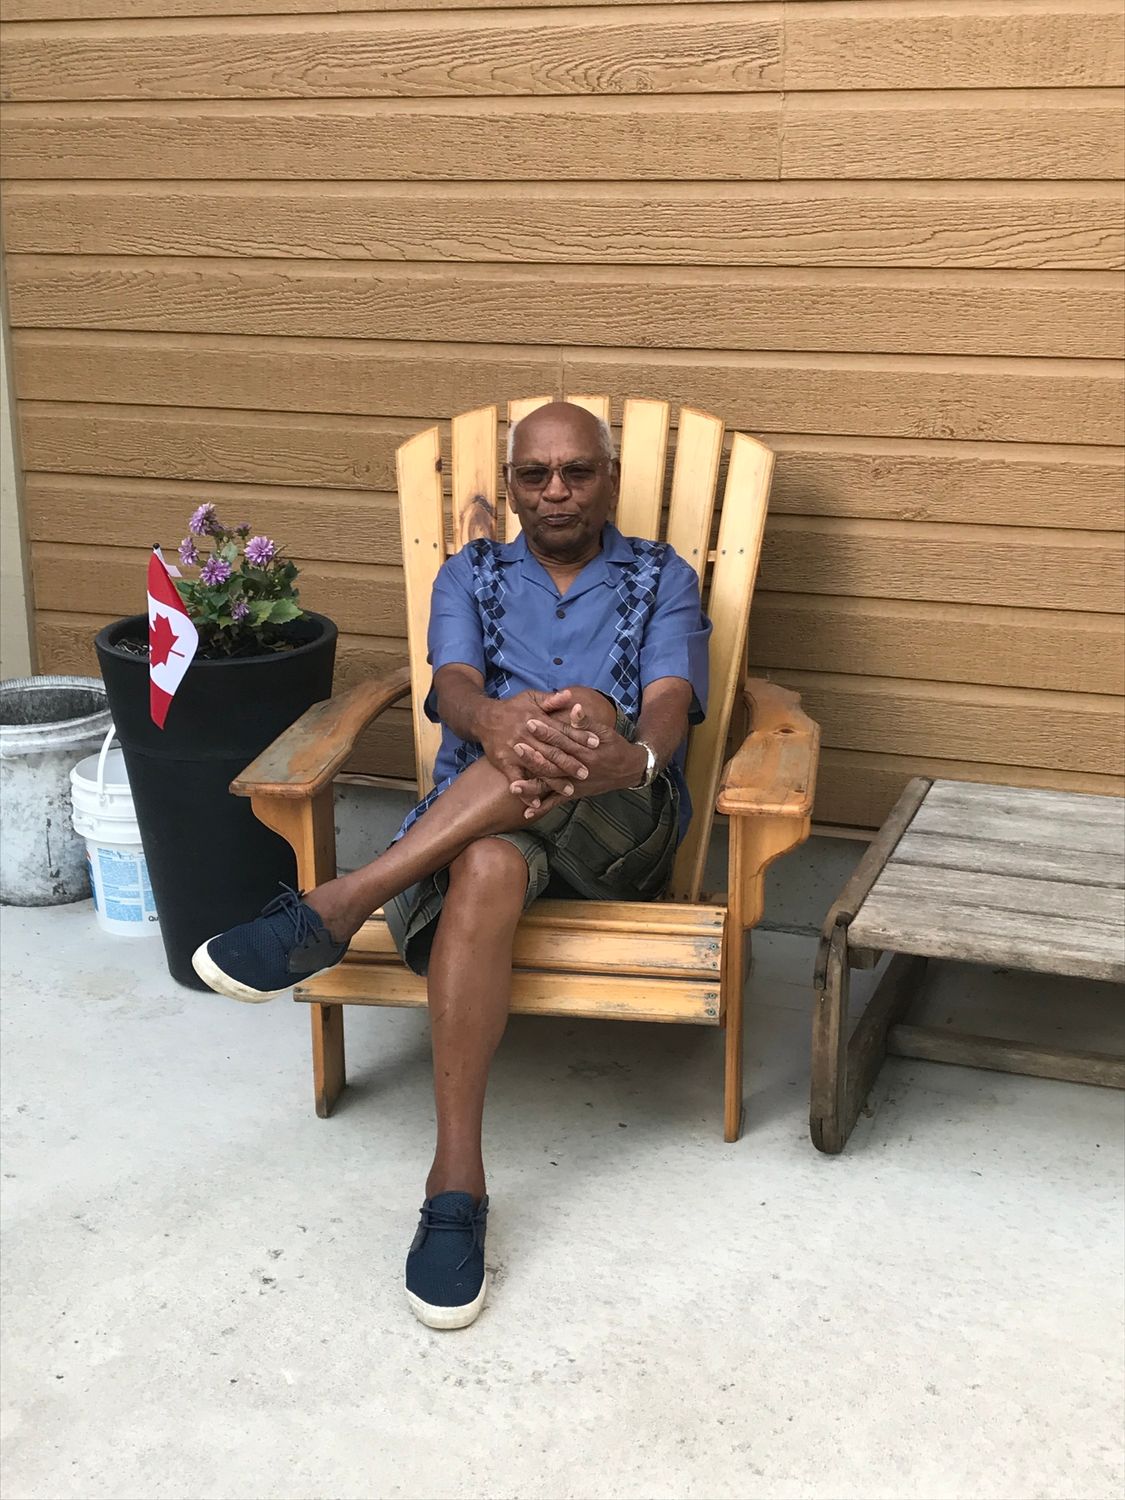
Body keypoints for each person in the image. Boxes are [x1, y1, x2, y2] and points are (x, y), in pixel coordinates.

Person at [192, 402, 711, 1329]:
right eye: (534, 474)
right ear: (507, 485)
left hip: (622, 822)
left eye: (576, 472)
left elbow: (667, 698)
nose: (555, 491)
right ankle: (455, 1189)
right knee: (484, 869)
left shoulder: (659, 576)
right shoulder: (468, 575)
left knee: (586, 704)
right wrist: (495, 723)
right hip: (485, 825)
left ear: (608, 479)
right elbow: (456, 688)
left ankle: (343, 902)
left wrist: (626, 758)